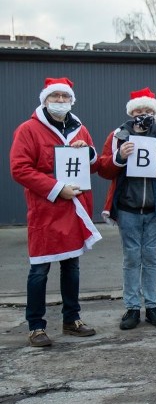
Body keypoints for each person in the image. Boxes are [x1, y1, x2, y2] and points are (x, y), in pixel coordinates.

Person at [10, 77, 100, 347]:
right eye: (55, 96)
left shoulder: (79, 129)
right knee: (39, 270)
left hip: (73, 208)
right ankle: (36, 326)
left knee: (71, 266)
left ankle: (71, 319)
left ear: (71, 100)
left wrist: (90, 152)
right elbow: (20, 168)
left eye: (65, 97)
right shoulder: (28, 130)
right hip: (46, 209)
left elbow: (92, 166)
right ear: (44, 99)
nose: (60, 101)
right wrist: (56, 188)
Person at [98, 87, 156, 330]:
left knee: (151, 257)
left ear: (155, 113)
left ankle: (153, 306)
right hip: (127, 208)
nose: (142, 114)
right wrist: (119, 157)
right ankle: (132, 308)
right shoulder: (117, 136)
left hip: (155, 208)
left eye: (147, 110)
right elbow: (103, 168)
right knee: (131, 257)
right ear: (130, 112)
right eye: (138, 110)